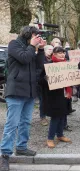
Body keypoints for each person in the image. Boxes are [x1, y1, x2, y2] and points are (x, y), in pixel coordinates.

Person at [0, 26, 46, 171]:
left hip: (30, 92)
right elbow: (24, 59)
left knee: (26, 122)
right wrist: (32, 46)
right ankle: (5, 155)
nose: (36, 38)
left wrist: (41, 49)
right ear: (28, 34)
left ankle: (21, 146)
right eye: (34, 35)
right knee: (12, 124)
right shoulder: (14, 44)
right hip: (16, 91)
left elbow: (39, 65)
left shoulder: (31, 48)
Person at [39, 46, 72, 148]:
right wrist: (45, 79)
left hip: (65, 94)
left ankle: (60, 135)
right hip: (54, 96)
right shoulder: (49, 66)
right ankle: (50, 138)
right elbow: (40, 81)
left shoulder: (68, 65)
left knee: (63, 115)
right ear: (54, 54)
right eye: (59, 53)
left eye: (63, 52)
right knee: (56, 117)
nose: (62, 54)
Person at [38, 45, 54, 126]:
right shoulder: (41, 58)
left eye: (52, 49)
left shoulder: (54, 59)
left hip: (52, 83)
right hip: (42, 83)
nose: (51, 51)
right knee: (42, 101)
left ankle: (52, 115)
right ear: (44, 50)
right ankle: (43, 117)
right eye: (49, 49)